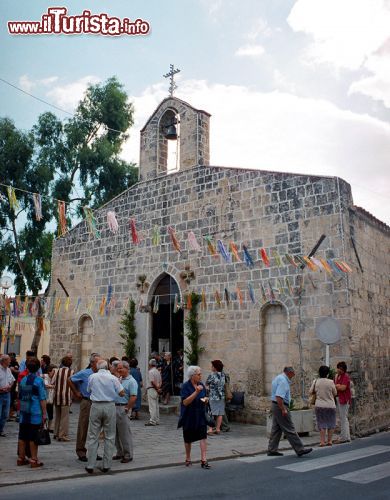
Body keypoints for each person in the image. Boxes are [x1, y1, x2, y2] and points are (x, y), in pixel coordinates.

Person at [85, 359, 124, 474]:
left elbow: (88, 390)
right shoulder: (113, 378)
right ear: (107, 367)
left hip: (96, 406)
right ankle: (106, 465)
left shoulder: (92, 377)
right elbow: (121, 392)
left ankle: (90, 464)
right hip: (109, 406)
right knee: (110, 436)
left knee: (93, 436)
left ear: (97, 367)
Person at [267, 366, 313, 457]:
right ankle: (300, 449)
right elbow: (279, 397)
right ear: (289, 372)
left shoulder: (278, 378)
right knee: (289, 428)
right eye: (293, 373)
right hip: (280, 405)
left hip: (275, 405)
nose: (294, 375)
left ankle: (272, 449)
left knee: (276, 429)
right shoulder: (283, 381)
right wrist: (283, 409)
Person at [67, 353, 101, 462]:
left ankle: (94, 451)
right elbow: (70, 380)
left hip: (98, 402)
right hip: (87, 402)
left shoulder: (102, 374)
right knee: (83, 426)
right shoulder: (84, 373)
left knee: (96, 428)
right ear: (92, 363)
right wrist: (76, 392)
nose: (100, 364)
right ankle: (81, 451)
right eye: (98, 362)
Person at [17, 357, 47, 468]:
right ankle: (34, 459)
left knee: (22, 435)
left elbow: (20, 396)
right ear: (38, 367)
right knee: (33, 437)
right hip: (35, 412)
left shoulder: (23, 379)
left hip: (24, 412)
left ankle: (21, 458)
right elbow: (42, 398)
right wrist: (44, 413)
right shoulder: (39, 381)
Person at [179, 365, 210, 469]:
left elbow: (205, 397)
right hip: (189, 416)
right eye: (199, 374)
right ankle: (188, 458)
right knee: (188, 439)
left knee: (203, 437)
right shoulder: (185, 386)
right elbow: (185, 402)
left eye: (200, 374)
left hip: (200, 415)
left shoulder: (201, 385)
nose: (201, 376)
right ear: (192, 376)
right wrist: (196, 392)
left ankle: (204, 460)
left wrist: (205, 400)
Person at [113, 361, 137, 463]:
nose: (118, 370)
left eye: (120, 368)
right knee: (115, 433)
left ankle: (128, 455)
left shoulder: (131, 381)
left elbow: (133, 396)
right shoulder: (120, 379)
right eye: (118, 368)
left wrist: (127, 408)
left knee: (124, 433)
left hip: (123, 408)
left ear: (127, 369)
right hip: (115, 407)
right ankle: (119, 452)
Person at [309, 365, 337, 446]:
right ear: (327, 373)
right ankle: (330, 441)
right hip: (330, 405)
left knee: (321, 423)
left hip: (319, 405)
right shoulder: (331, 382)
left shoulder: (315, 381)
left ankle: (322, 441)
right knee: (331, 423)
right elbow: (335, 393)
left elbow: (310, 391)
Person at [52, 355, 74, 441]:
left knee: (57, 415)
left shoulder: (57, 371)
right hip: (66, 396)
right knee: (64, 417)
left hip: (57, 396)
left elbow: (53, 382)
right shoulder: (71, 372)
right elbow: (73, 385)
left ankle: (56, 433)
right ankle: (63, 435)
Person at [206, 359, 226, 435]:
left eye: (212, 366)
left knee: (211, 412)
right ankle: (217, 429)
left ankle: (210, 429)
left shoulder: (212, 375)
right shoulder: (223, 375)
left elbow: (207, 384)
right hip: (221, 396)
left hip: (213, 396)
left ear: (215, 367)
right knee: (220, 413)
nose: (211, 367)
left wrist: (208, 390)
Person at [334, 361, 352, 443]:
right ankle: (347, 436)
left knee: (343, 418)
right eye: (339, 368)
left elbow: (343, 388)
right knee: (344, 418)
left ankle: (343, 437)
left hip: (344, 399)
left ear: (344, 370)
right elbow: (336, 387)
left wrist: (337, 386)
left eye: (341, 369)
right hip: (339, 398)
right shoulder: (337, 376)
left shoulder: (346, 376)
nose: (339, 370)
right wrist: (337, 386)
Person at [0, 354, 15, 437]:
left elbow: (12, 380)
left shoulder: (8, 370)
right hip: (0, 394)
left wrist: (10, 386)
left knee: (5, 414)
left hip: (7, 394)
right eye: (8, 360)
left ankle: (1, 430)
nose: (10, 361)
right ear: (4, 361)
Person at [145, 359, 161, 426]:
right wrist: (159, 388)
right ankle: (157, 420)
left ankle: (152, 420)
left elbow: (152, 381)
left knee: (152, 406)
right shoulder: (157, 371)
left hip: (152, 389)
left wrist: (157, 388)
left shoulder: (151, 372)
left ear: (150, 364)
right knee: (156, 405)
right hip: (156, 389)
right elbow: (160, 381)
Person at [43, 364, 56, 433]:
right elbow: (45, 385)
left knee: (50, 413)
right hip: (45, 398)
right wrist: (53, 386)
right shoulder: (45, 376)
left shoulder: (54, 377)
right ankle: (45, 427)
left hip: (51, 399)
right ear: (49, 372)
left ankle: (49, 427)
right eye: (54, 372)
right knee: (45, 413)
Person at [8, 352, 19, 419]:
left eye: (12, 356)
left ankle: (10, 413)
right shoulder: (7, 363)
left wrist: (14, 369)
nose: (11, 358)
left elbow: (18, 371)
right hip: (8, 383)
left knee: (12, 398)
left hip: (13, 383)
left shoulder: (16, 363)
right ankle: (8, 414)